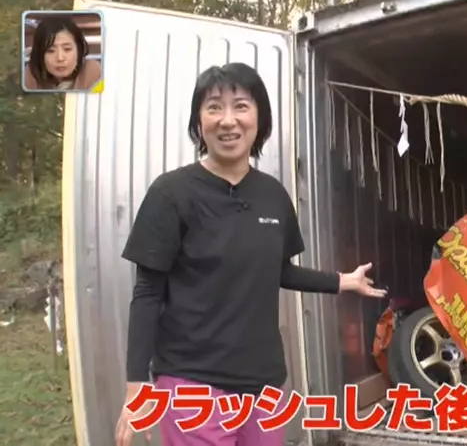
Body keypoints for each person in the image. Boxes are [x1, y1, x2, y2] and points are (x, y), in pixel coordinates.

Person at [114, 62, 388, 446]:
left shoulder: (272, 195)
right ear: (199, 121)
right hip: (193, 383)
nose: (228, 120)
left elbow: (279, 271)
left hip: (262, 384)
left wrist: (344, 281)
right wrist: (136, 386)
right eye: (214, 107)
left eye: (240, 106)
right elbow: (146, 294)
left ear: (259, 117)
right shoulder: (170, 194)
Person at [24, 15, 101, 91]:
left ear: (79, 50)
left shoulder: (93, 72)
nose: (60, 58)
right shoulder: (30, 75)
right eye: (50, 51)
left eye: (67, 49)